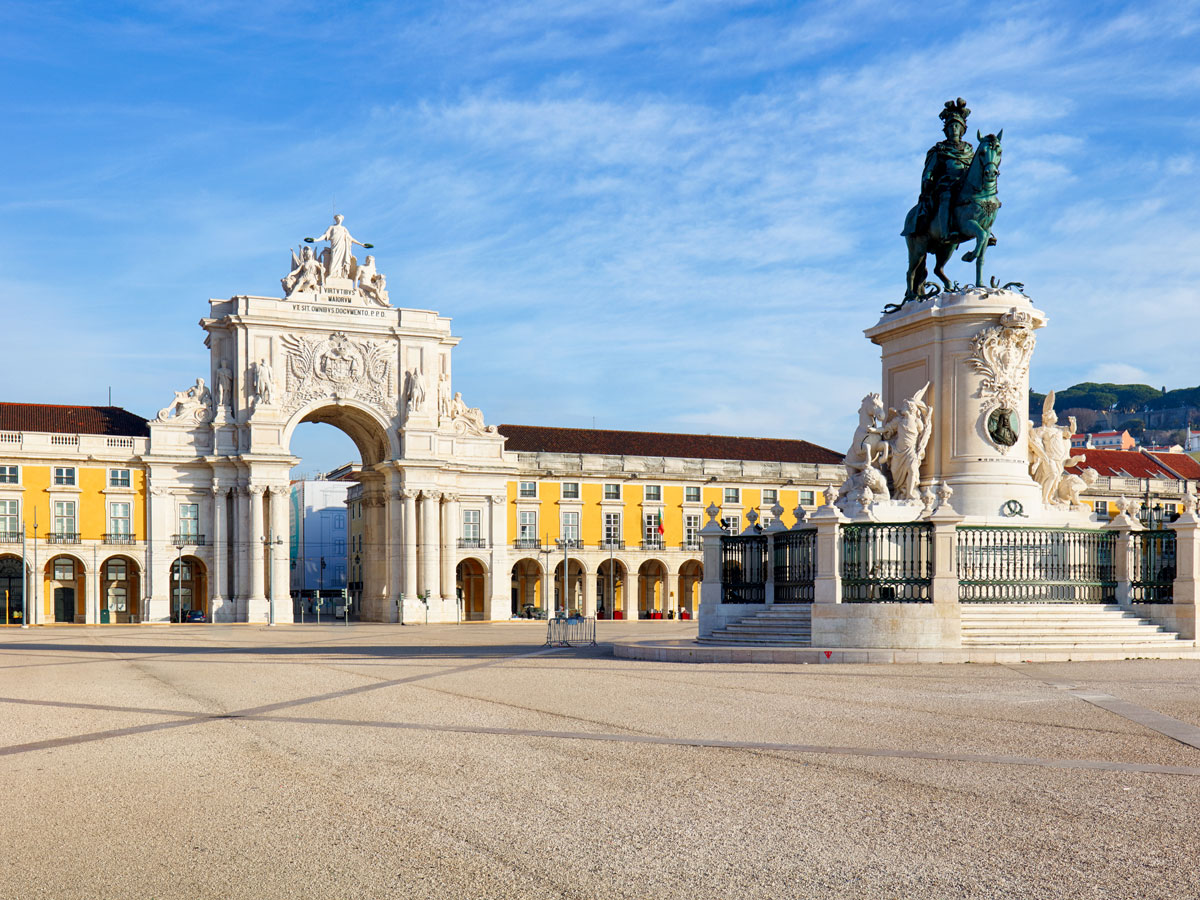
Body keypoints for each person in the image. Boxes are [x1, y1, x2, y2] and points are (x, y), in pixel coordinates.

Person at [903, 98, 974, 242]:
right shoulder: (939, 150)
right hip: (946, 184)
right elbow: (929, 170)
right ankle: (945, 232)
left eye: (956, 126)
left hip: (965, 184)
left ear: (962, 130)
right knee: (946, 197)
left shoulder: (970, 151)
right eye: (951, 126)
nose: (954, 128)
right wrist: (927, 181)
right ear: (947, 130)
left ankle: (984, 228)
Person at [307, 215, 369, 280]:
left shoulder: (344, 229)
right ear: (335, 220)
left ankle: (341, 276)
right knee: (333, 260)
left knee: (342, 262)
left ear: (342, 220)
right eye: (337, 219)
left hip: (342, 247)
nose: (339, 220)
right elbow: (324, 235)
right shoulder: (331, 227)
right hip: (335, 247)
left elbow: (351, 238)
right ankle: (332, 274)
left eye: (340, 219)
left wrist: (361, 244)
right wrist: (316, 240)